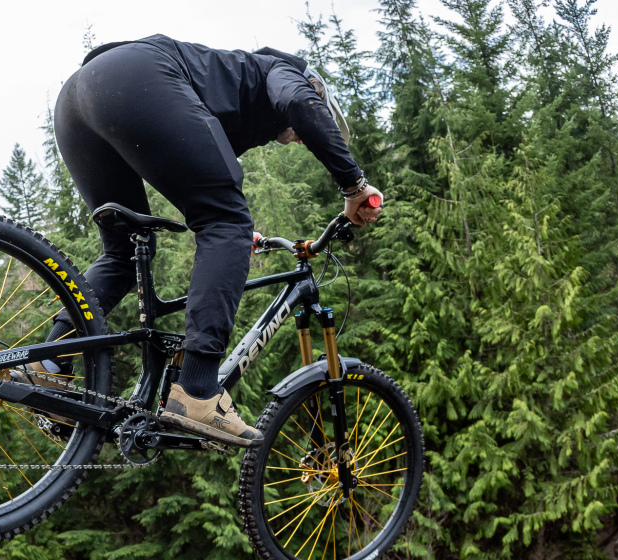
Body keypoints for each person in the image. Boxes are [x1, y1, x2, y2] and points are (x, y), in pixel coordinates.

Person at [42, 34, 383, 448]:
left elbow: (192, 170)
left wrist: (235, 236)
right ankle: (199, 390)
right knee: (227, 222)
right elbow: (299, 104)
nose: (300, 137)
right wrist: (354, 186)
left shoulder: (227, 94)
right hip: (134, 77)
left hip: (77, 101)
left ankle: (48, 362)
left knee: (123, 251)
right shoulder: (281, 71)